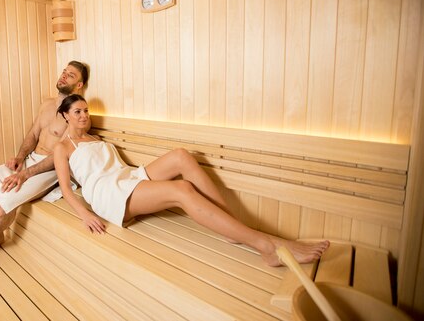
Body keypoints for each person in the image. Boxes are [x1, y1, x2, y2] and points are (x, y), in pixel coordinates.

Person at [53, 95, 330, 267]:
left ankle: (232, 229)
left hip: (126, 176)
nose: (84, 116)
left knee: (182, 157)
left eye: (86, 111)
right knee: (182, 189)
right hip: (109, 193)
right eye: (77, 111)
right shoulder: (63, 148)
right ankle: (265, 246)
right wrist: (84, 215)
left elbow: (119, 167)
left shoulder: (95, 139)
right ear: (65, 115)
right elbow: (66, 189)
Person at [0, 61, 89, 273]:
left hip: (50, 168)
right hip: (30, 159)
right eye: (64, 72)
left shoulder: (76, 114)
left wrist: (26, 174)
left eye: (70, 75)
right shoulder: (47, 105)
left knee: (6, 202)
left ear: (79, 85)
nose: (63, 76)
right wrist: (20, 157)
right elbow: (33, 134)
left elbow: (59, 154)